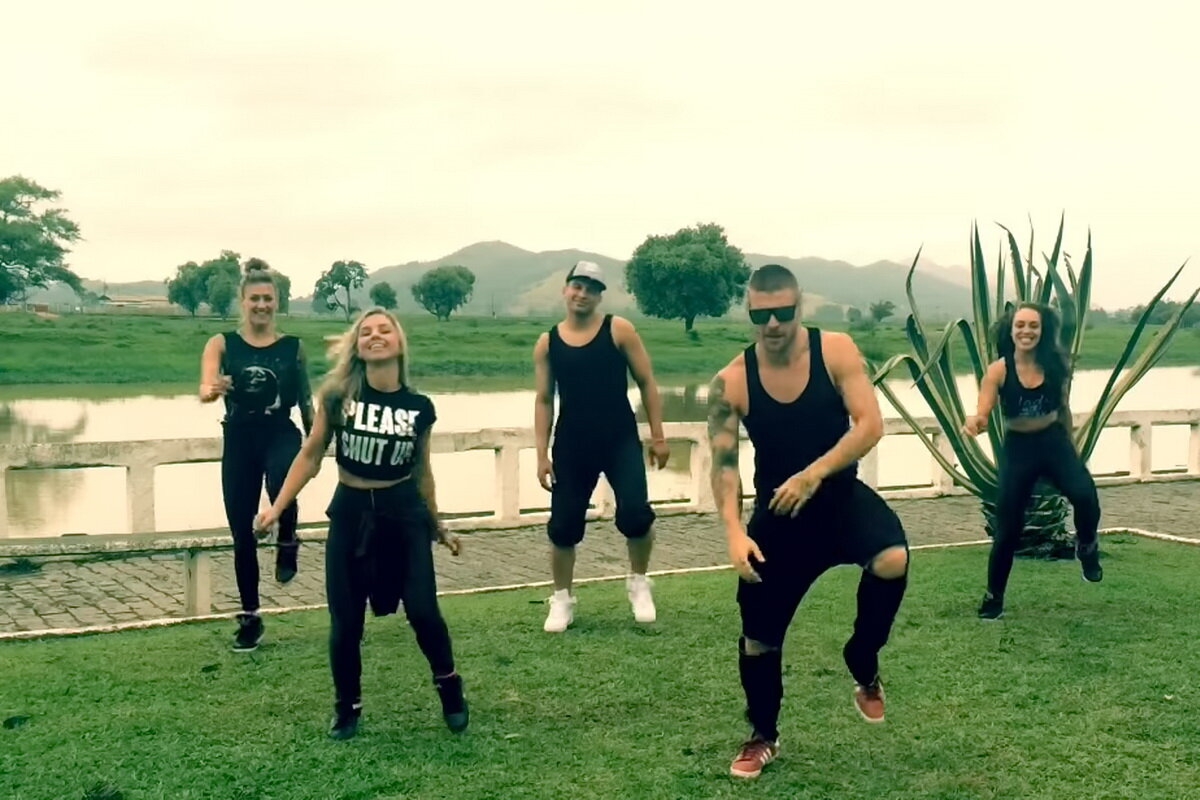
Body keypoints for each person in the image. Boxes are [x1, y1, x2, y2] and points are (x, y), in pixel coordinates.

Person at [707, 264, 910, 780]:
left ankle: (862, 660)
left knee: (892, 558)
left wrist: (813, 474)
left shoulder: (835, 350)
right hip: (779, 516)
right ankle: (763, 735)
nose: (773, 324)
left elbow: (870, 425)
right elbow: (724, 466)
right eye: (761, 314)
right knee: (759, 639)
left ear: (799, 307)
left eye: (783, 312)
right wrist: (733, 532)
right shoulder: (732, 381)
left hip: (840, 498)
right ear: (749, 312)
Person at [255, 308, 467, 740]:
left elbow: (422, 471)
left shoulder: (419, 407)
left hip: (403, 514)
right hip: (351, 514)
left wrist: (437, 523)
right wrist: (276, 508)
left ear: (399, 342)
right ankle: (347, 707)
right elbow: (311, 455)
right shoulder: (338, 398)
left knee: (423, 610)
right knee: (346, 621)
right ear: (357, 346)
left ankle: (449, 687)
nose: (375, 336)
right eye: (366, 332)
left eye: (384, 330)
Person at [532, 260, 670, 633]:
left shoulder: (618, 330)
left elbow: (647, 381)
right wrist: (541, 454)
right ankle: (562, 599)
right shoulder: (548, 343)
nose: (582, 294)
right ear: (566, 289)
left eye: (591, 289)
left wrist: (658, 437)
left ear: (599, 296)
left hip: (619, 438)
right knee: (564, 526)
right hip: (572, 443)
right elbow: (543, 400)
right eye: (577, 286)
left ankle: (638, 583)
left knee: (636, 515)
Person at [198, 259, 313, 652]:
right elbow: (205, 387)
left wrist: (316, 441)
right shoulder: (221, 343)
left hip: (280, 432)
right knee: (241, 533)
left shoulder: (293, 347)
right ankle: (250, 618)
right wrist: (214, 389)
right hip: (240, 438)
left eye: (268, 298)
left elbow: (306, 399)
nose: (261, 305)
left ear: (277, 302)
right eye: (255, 299)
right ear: (243, 301)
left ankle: (287, 539)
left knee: (283, 480)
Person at [963, 302, 1102, 620]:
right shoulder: (999, 370)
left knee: (1085, 495)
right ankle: (994, 597)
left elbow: (1063, 408)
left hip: (1054, 443)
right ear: (1011, 330)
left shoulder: (1055, 366)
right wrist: (975, 422)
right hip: (1019, 449)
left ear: (1043, 330)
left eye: (1033, 325)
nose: (1026, 331)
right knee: (1008, 528)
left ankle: (1087, 548)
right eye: (1020, 325)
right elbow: (983, 411)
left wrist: (1071, 451)